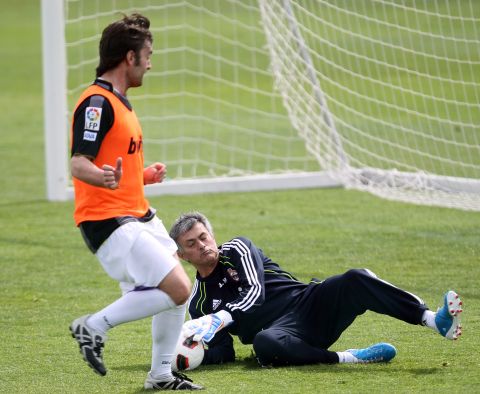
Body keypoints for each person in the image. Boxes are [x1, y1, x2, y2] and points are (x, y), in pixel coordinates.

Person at [68, 14, 202, 390]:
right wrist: (102, 177)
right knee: (178, 287)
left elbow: (116, 163)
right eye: (148, 54)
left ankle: (160, 375)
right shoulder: (97, 103)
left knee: (177, 297)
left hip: (137, 215)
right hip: (107, 219)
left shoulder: (121, 102)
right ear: (130, 57)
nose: (150, 62)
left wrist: (142, 177)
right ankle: (92, 326)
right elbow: (80, 163)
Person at [169, 211, 463, 367]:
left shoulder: (237, 249)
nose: (203, 245)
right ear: (182, 256)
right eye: (192, 244)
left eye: (204, 236)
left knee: (354, 278)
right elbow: (225, 352)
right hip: (284, 336)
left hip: (309, 302)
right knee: (264, 344)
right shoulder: (199, 303)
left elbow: (255, 292)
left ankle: (432, 319)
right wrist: (190, 357)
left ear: (212, 234)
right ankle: (352, 357)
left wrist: (224, 316)